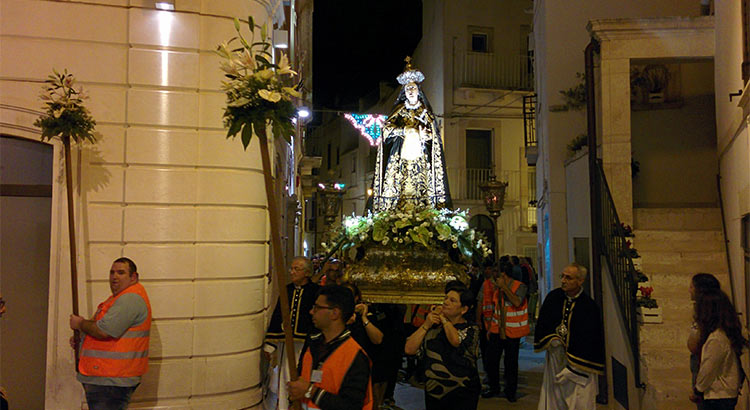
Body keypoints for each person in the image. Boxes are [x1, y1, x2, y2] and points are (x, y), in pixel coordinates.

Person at [69, 257, 152, 410]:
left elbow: (102, 331)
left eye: (121, 273)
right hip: (107, 377)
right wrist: (83, 338)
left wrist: (80, 323)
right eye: (112, 272)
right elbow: (100, 327)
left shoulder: (130, 299)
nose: (114, 276)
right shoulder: (118, 299)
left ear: (133, 277)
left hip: (111, 379)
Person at [371, 57, 451, 212]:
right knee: (400, 183)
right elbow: (386, 130)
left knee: (421, 185)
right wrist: (405, 130)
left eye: (413, 88)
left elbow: (434, 135)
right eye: (408, 89)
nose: (411, 91)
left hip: (421, 157)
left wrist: (425, 134)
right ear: (404, 92)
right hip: (400, 157)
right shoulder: (399, 111)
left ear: (418, 90)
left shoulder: (426, 112)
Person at [289, 285, 373, 410]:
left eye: (317, 307)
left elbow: (351, 406)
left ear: (335, 313)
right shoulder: (313, 343)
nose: (311, 311)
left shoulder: (356, 356)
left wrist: (310, 391)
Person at [535, 263, 604, 410]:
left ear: (580, 281)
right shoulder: (553, 297)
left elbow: (591, 339)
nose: (563, 280)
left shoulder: (589, 307)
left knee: (580, 402)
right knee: (554, 399)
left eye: (569, 277)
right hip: (555, 358)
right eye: (563, 276)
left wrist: (573, 363)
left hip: (579, 367)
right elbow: (543, 323)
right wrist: (551, 338)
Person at [405, 281, 480, 410]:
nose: (446, 302)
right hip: (434, 393)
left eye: (452, 300)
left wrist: (444, 319)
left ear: (464, 309)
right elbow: (409, 349)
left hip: (462, 393)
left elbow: (455, 340)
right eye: (445, 298)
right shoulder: (433, 329)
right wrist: (426, 325)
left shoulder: (471, 329)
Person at [265, 256, 320, 410]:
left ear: (307, 273)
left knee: (303, 376)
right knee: (285, 378)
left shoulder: (315, 292)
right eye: (291, 268)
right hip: (286, 344)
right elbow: (277, 316)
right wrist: (270, 346)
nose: (292, 272)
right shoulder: (286, 291)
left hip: (306, 346)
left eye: (297, 269)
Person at [477, 263, 528, 402]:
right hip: (496, 329)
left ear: (503, 275)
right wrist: (489, 328)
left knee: (510, 363)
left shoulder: (520, 286)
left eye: (496, 273)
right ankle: (494, 388)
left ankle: (510, 392)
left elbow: (517, 302)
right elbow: (496, 308)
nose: (493, 276)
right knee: (490, 360)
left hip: (513, 331)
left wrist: (504, 288)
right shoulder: (496, 288)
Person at [693, 289, 747, 410]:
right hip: (725, 395)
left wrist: (698, 389)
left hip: (718, 396)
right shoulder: (725, 334)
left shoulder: (716, 339)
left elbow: (708, 368)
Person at [687, 273, 721, 408]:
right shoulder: (700, 309)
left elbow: (709, 360)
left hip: (703, 361)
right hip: (699, 360)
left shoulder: (708, 313)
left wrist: (698, 390)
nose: (689, 290)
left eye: (692, 287)